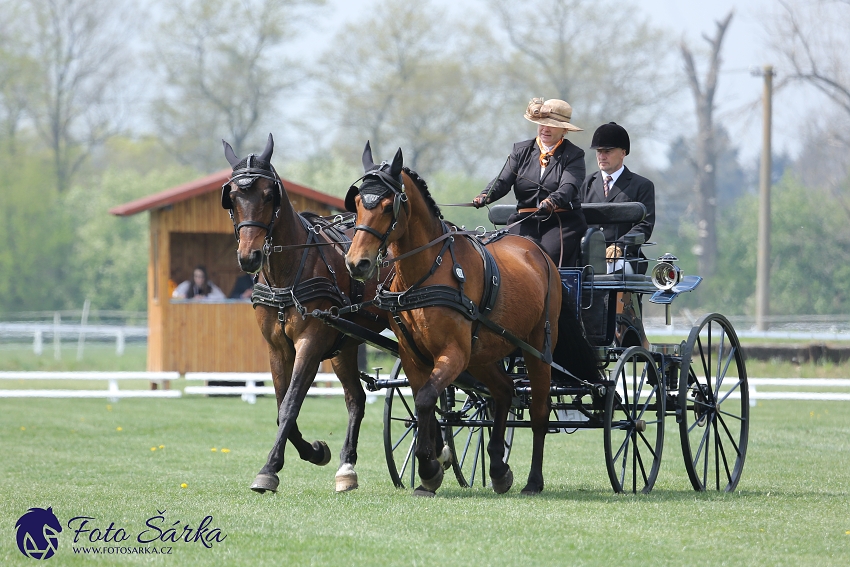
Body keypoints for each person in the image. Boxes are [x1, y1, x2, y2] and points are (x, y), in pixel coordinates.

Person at [472, 97, 588, 267]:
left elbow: (569, 186)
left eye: (552, 125)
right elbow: (503, 180)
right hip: (524, 220)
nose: (545, 129)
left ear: (564, 130)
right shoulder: (521, 150)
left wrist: (551, 201)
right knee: (503, 258)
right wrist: (486, 195)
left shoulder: (574, 155)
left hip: (560, 222)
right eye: (542, 123)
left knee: (543, 261)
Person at [580, 122, 655, 274]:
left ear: (623, 153)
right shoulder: (584, 183)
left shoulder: (642, 185)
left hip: (625, 257)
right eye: (599, 151)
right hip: (587, 256)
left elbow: (645, 225)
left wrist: (619, 246)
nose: (601, 156)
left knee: (609, 270)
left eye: (607, 151)